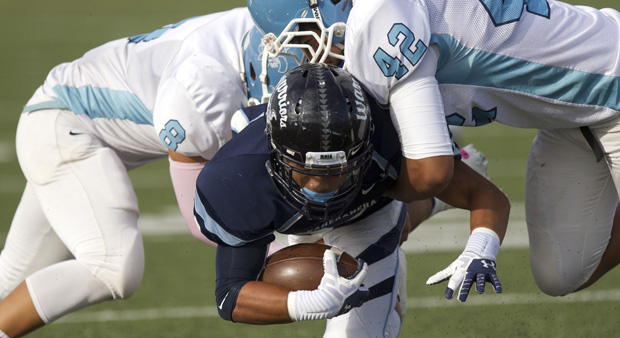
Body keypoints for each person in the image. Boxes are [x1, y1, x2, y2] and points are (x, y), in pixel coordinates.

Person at [246, 0, 620, 299]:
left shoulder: (380, 16)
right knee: (560, 273)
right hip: (569, 120)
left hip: (612, 82)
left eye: (307, 37)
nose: (308, 56)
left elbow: (431, 171)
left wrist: (359, 196)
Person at [0, 8, 302, 337]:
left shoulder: (254, 32)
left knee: (9, 279)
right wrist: (291, 251)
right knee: (113, 266)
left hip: (60, 118)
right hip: (62, 125)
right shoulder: (206, 86)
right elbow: (202, 215)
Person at [193, 63, 509, 337]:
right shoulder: (234, 180)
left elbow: (486, 195)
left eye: (337, 170)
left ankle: (429, 195)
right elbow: (230, 295)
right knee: (390, 217)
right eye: (307, 171)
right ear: (277, 153)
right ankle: (430, 202)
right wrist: (305, 304)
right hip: (329, 204)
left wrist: (482, 248)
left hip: (371, 206)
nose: (322, 184)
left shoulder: (390, 132)